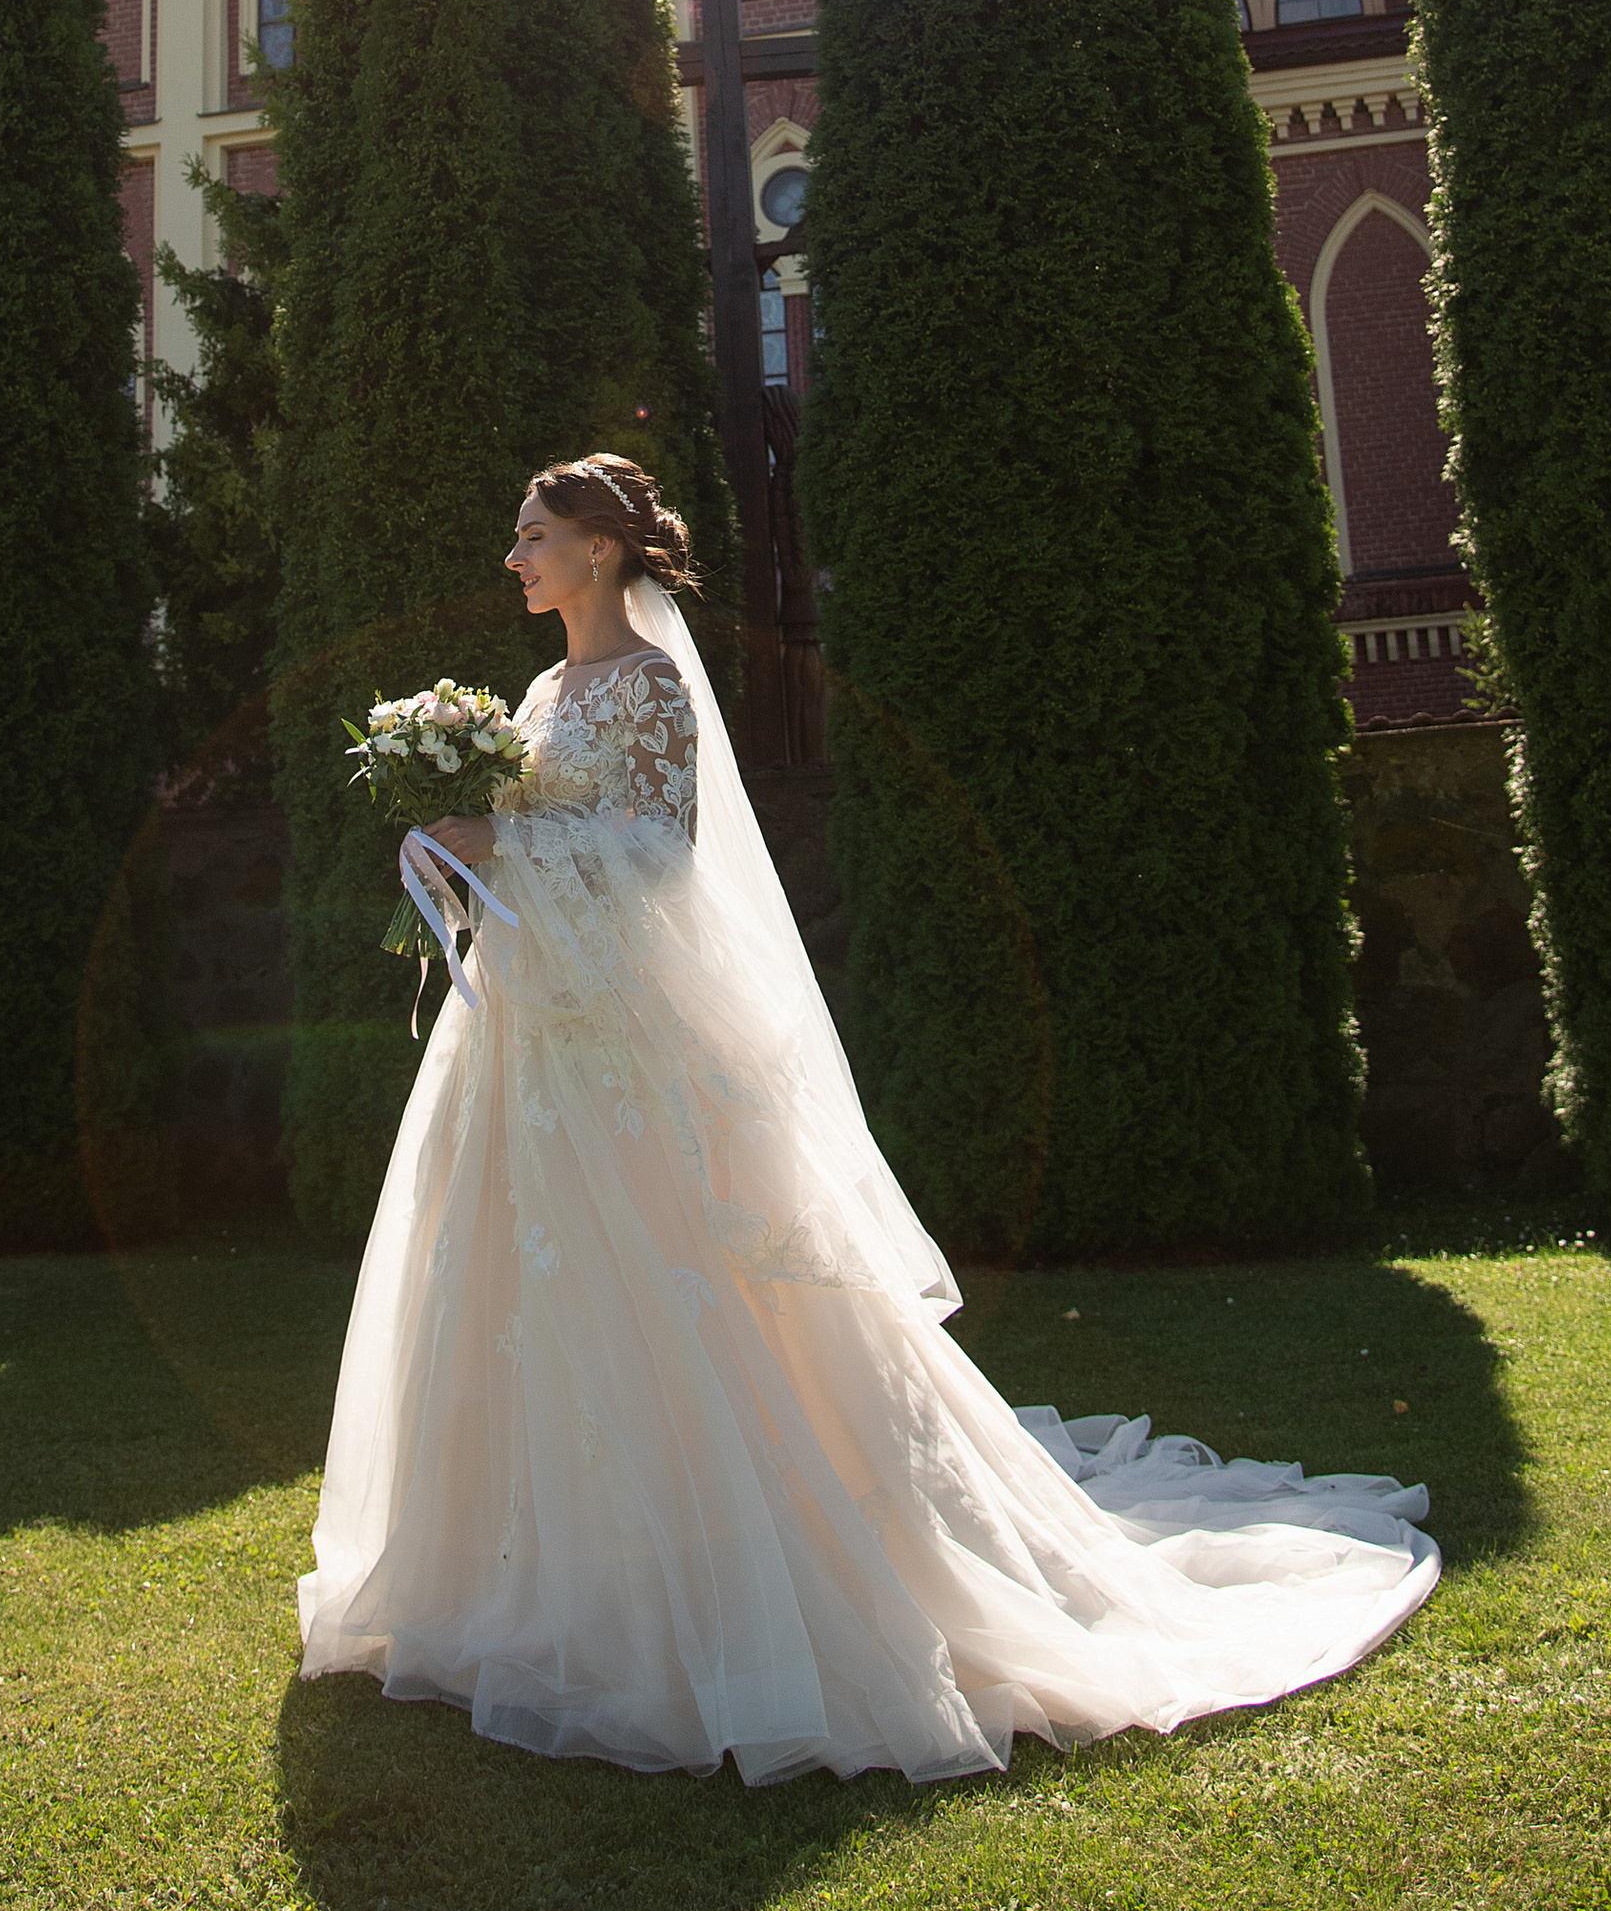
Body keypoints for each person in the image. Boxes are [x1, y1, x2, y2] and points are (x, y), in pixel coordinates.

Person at [297, 452, 1435, 1785]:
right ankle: (521, 1579)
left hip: (628, 1057)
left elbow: (658, 858)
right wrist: (456, 839)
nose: (513, 557)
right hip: (538, 1042)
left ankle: (713, 1585)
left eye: (534, 533)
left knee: (686, 1295)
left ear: (602, 550)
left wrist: (502, 846)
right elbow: (546, 839)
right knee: (507, 1283)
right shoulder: (545, 691)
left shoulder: (654, 689)